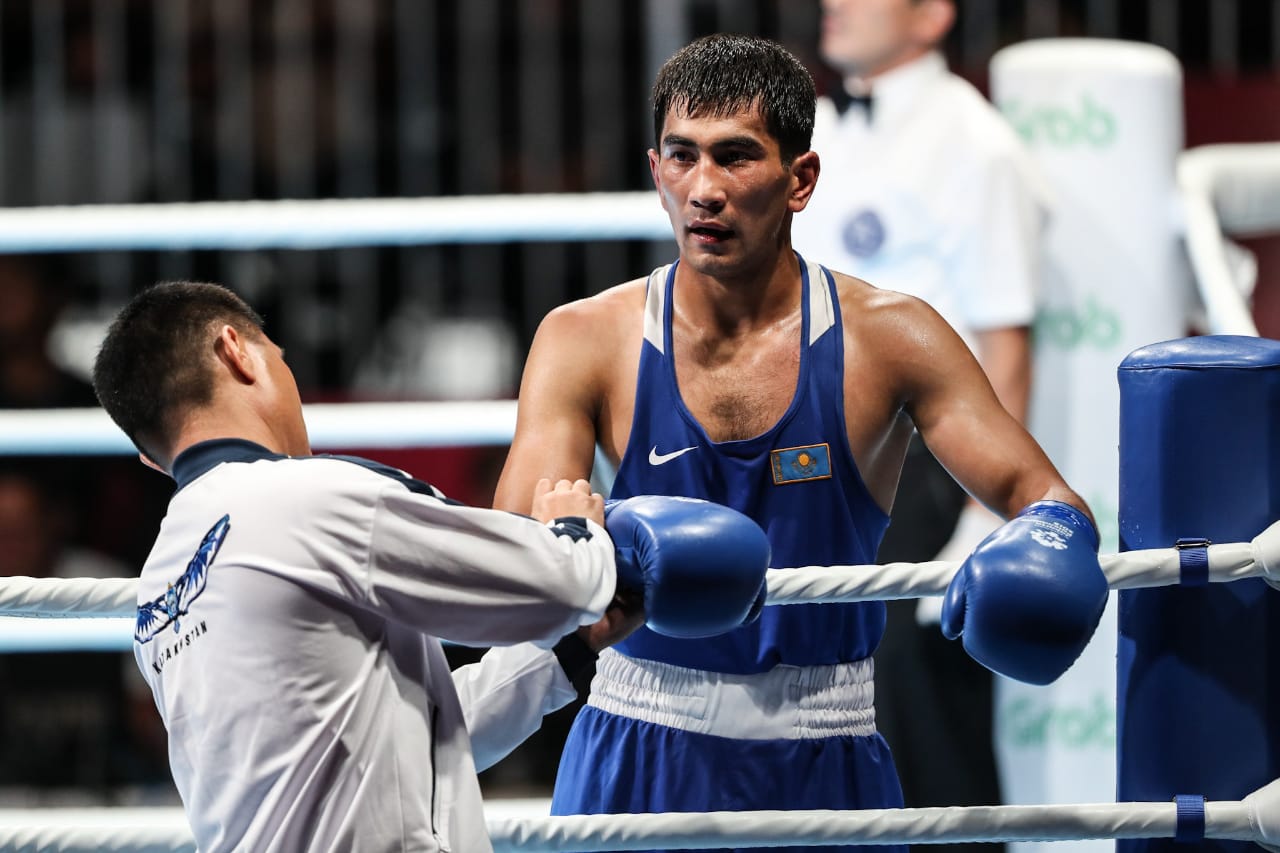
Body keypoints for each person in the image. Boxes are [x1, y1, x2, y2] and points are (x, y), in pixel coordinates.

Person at [493, 33, 1104, 852]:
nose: (703, 190)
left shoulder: (892, 338)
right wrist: (578, 541)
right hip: (640, 736)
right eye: (682, 157)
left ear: (800, 179)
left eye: (736, 157)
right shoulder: (583, 340)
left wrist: (1049, 546)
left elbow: (1046, 495)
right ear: (655, 171)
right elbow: (515, 556)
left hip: (829, 751)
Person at [89, 280, 770, 852]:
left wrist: (563, 655)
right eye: (281, 357)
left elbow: (411, 750)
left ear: (152, 456)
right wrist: (573, 524)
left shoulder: (164, 585)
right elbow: (559, 578)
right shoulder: (309, 496)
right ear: (235, 351)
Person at [791, 0, 1051, 835]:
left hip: (924, 460)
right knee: (802, 683)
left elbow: (1006, 337)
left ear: (933, 13)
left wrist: (986, 516)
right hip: (810, 452)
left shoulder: (977, 146)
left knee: (912, 682)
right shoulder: (814, 132)